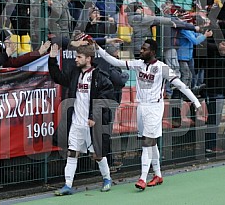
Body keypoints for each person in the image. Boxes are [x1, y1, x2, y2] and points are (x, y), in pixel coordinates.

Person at [96, 39, 202, 190]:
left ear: (152, 52)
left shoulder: (162, 68)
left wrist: (196, 103)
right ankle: (158, 175)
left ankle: (142, 178)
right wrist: (97, 48)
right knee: (151, 143)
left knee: (147, 142)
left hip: (154, 108)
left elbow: (180, 85)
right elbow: (114, 61)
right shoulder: (138, 64)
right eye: (141, 48)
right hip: (141, 107)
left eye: (144, 49)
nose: (141, 51)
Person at [49, 44, 115, 195]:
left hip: (93, 124)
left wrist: (94, 116)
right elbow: (58, 77)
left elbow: (107, 98)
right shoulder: (74, 73)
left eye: (79, 57)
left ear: (88, 59)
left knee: (97, 155)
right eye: (76, 57)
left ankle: (107, 179)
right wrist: (52, 59)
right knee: (72, 152)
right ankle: (67, 185)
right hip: (76, 122)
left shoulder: (100, 77)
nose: (76, 60)